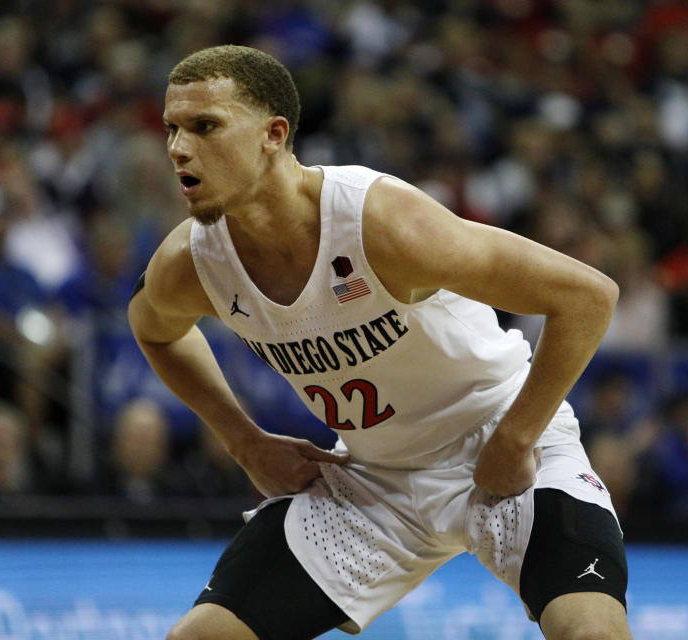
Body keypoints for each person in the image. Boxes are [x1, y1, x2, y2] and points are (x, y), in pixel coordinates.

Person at [128, 45, 631, 640]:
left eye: (205, 126)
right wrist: (244, 441)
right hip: (373, 478)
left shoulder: (381, 223)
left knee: (593, 633)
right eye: (172, 129)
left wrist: (517, 434)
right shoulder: (190, 262)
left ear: (273, 134)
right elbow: (157, 333)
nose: (179, 149)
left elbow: (587, 297)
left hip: (499, 437)